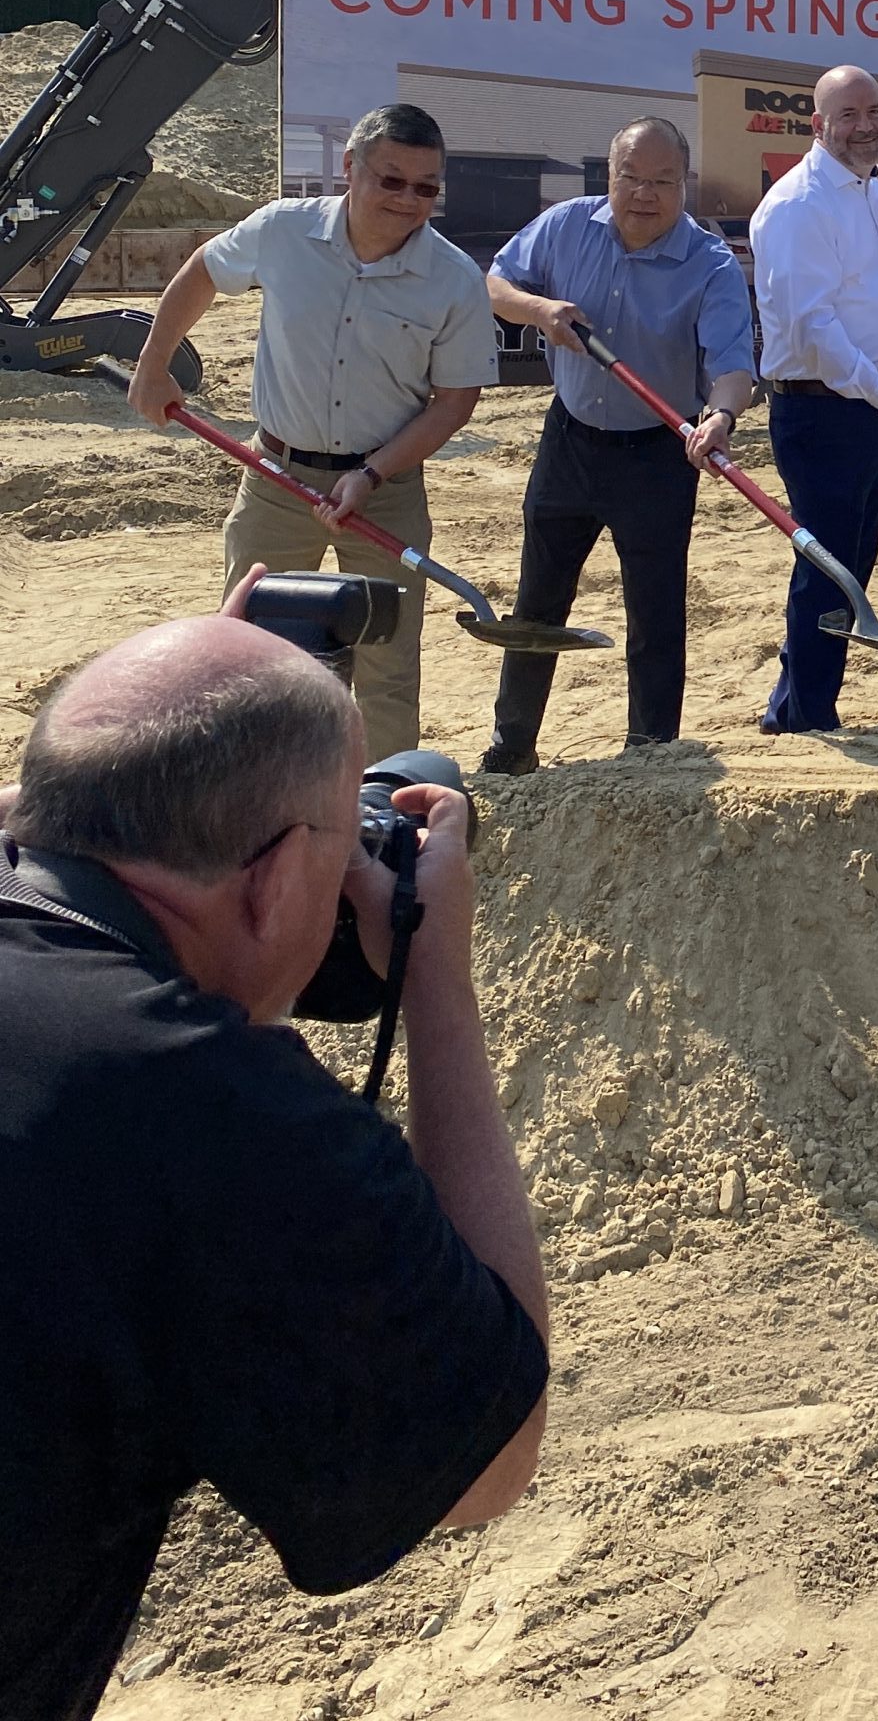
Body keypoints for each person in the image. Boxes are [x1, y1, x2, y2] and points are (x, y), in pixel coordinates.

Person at [0, 597, 548, 1721]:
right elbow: (486, 1463)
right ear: (269, 881)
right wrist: (431, 976)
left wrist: (193, 709)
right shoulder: (207, 1112)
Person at [127, 103, 499, 762]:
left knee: (386, 668)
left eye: (426, 188)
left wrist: (371, 473)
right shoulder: (282, 231)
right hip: (276, 482)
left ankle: (382, 808)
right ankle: (253, 801)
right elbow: (204, 272)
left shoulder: (455, 281)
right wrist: (154, 364)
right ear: (350, 168)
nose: (409, 201)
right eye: (391, 180)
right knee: (253, 651)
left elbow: (453, 403)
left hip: (386, 490)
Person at [478, 118, 755, 773]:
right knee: (537, 603)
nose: (644, 194)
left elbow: (734, 362)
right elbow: (495, 283)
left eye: (661, 181)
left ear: (682, 185)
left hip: (660, 453)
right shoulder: (568, 225)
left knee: (656, 614)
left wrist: (721, 415)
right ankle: (511, 748)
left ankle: (649, 754)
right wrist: (539, 310)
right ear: (609, 176)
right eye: (631, 177)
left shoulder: (709, 264)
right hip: (570, 438)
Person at [747, 65, 878, 733]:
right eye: (848, 115)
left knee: (848, 566)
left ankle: (790, 706)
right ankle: (808, 720)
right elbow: (817, 333)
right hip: (822, 412)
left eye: (875, 112)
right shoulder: (800, 205)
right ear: (818, 124)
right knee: (828, 573)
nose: (865, 127)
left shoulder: (874, 192)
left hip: (870, 411)